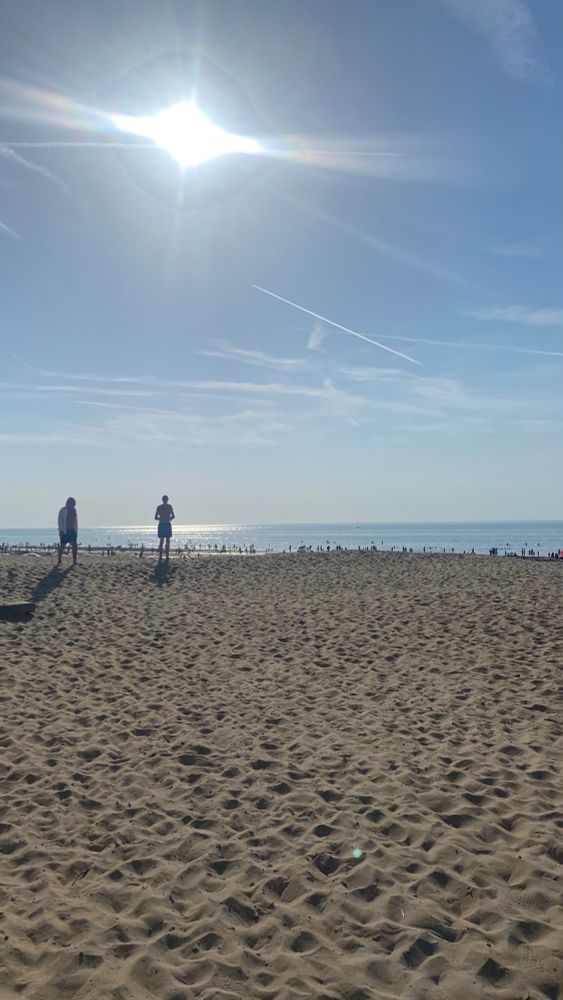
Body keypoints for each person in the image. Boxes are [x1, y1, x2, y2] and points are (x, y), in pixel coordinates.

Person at [57, 497, 78, 567]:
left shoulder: (74, 510)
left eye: (73, 504)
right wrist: (61, 530)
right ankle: (59, 559)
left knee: (74, 545)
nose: (72, 505)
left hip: (72, 530)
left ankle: (74, 561)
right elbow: (60, 521)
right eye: (71, 503)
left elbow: (75, 521)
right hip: (64, 530)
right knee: (62, 545)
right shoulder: (63, 510)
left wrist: (76, 531)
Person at [155, 494, 175, 562]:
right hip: (166, 524)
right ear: (167, 500)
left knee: (162, 541)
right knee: (166, 541)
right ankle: (165, 556)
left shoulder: (160, 507)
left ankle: (162, 556)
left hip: (163, 524)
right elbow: (173, 516)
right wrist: (168, 517)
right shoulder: (168, 507)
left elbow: (156, 517)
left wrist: (161, 518)